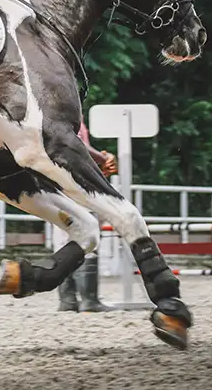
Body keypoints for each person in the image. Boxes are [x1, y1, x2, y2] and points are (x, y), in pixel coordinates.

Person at [55, 121, 118, 313]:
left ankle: (68, 300)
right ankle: (89, 300)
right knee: (88, 237)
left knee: (63, 240)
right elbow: (79, 146)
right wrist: (103, 158)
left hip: (56, 184)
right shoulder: (69, 116)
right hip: (78, 183)